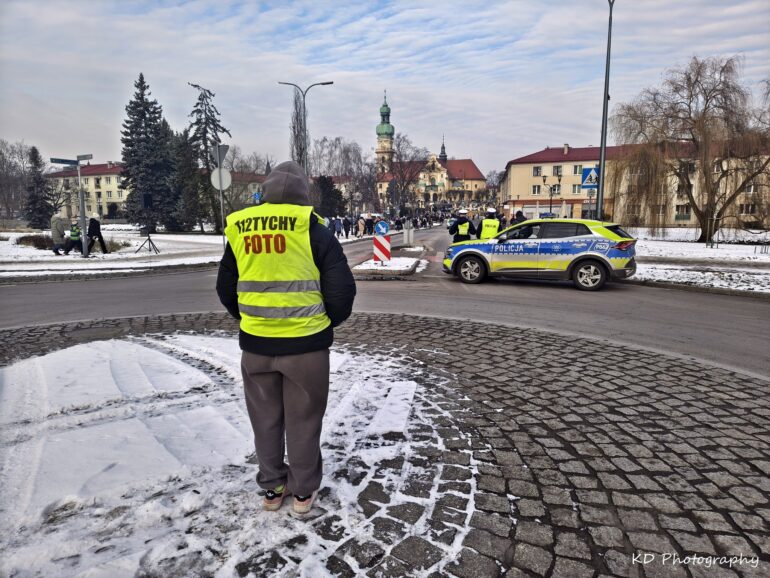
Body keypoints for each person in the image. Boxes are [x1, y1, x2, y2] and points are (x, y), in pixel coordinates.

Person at [217, 161, 356, 515]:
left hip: (256, 346)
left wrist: (249, 318)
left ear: (265, 192)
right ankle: (303, 492)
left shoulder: (240, 229)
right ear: (301, 196)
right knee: (304, 420)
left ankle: (272, 488)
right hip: (306, 347)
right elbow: (341, 292)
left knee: (264, 420)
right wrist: (325, 323)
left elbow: (225, 287)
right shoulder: (314, 230)